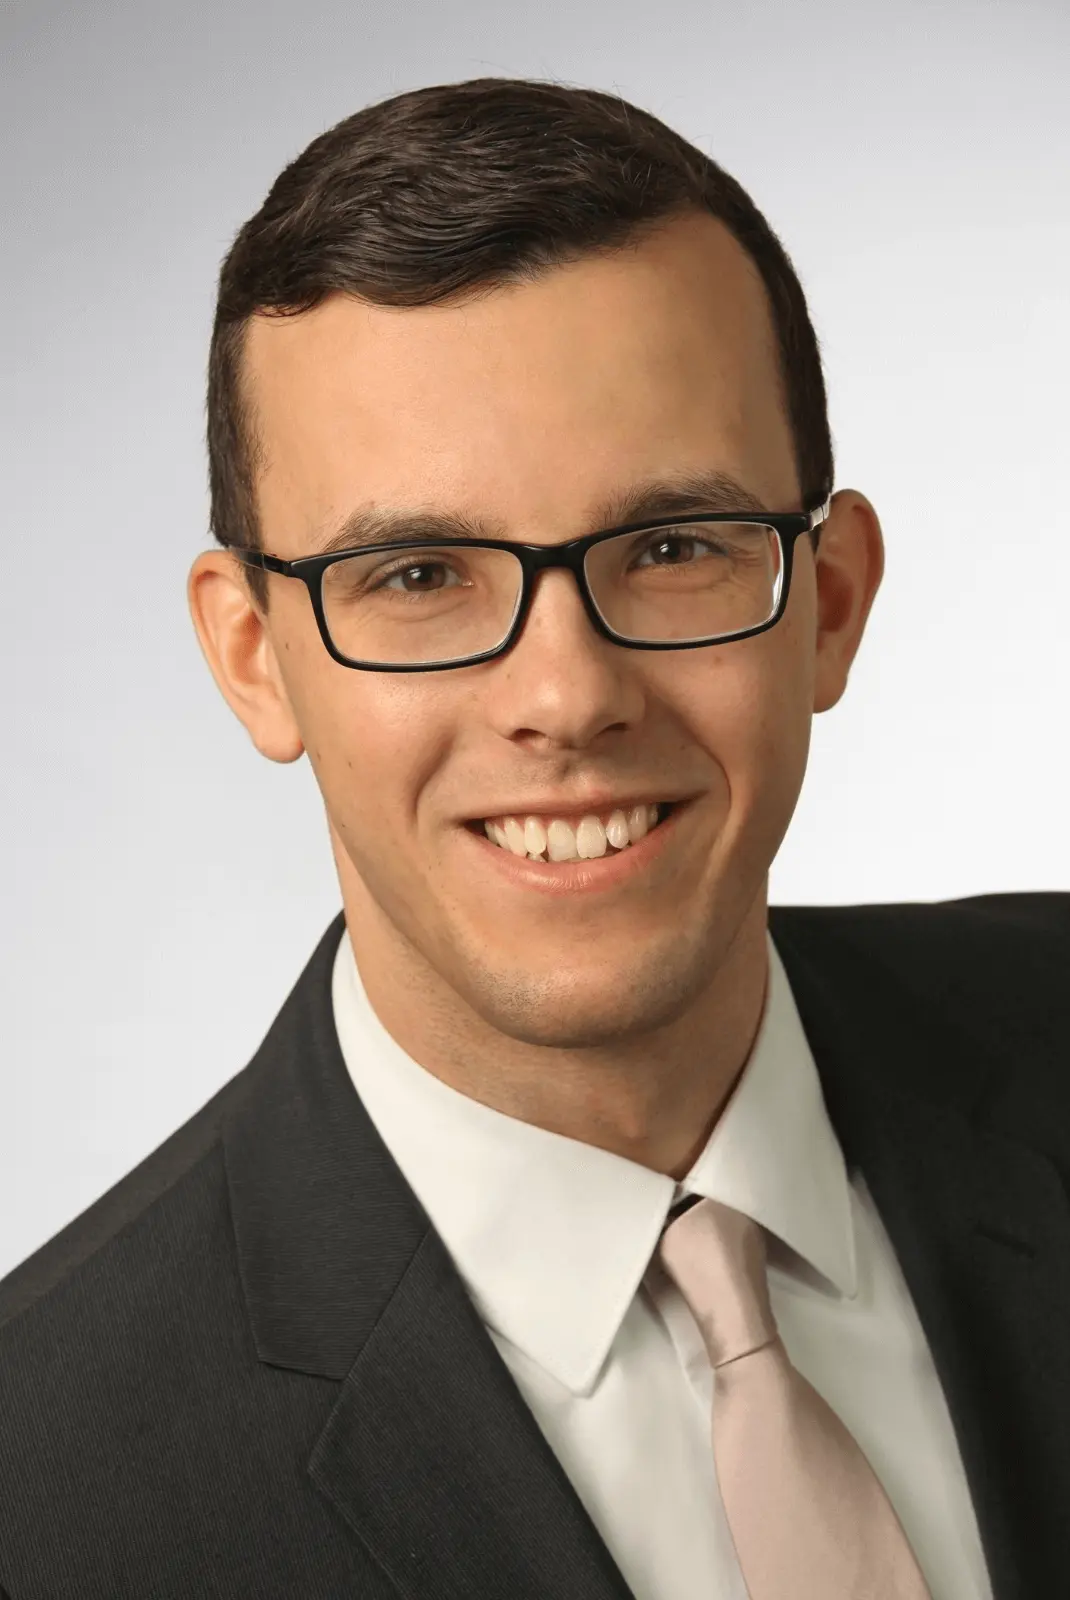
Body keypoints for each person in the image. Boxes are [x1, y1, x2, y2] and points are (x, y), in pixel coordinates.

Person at [0, 74, 1066, 1600]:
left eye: (672, 547)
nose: (565, 699)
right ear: (253, 657)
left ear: (828, 602)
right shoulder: (42, 1491)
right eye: (419, 576)